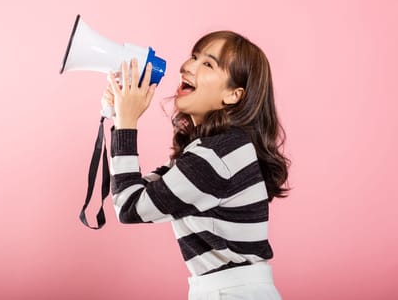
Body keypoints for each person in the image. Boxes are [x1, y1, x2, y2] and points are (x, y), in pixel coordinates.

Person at [102, 30, 289, 300]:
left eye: (208, 64)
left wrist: (127, 124)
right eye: (194, 57)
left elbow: (129, 207)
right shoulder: (213, 149)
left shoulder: (216, 156)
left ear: (233, 95)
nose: (187, 66)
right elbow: (138, 193)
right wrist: (120, 117)